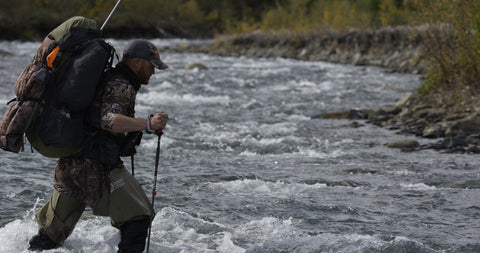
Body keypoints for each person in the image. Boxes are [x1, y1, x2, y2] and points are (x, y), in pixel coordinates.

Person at [28, 39, 169, 252]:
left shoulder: (106, 79)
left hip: (70, 166)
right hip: (97, 167)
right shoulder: (122, 85)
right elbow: (109, 120)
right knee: (137, 218)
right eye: (152, 65)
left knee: (49, 237)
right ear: (137, 63)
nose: (153, 72)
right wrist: (148, 124)